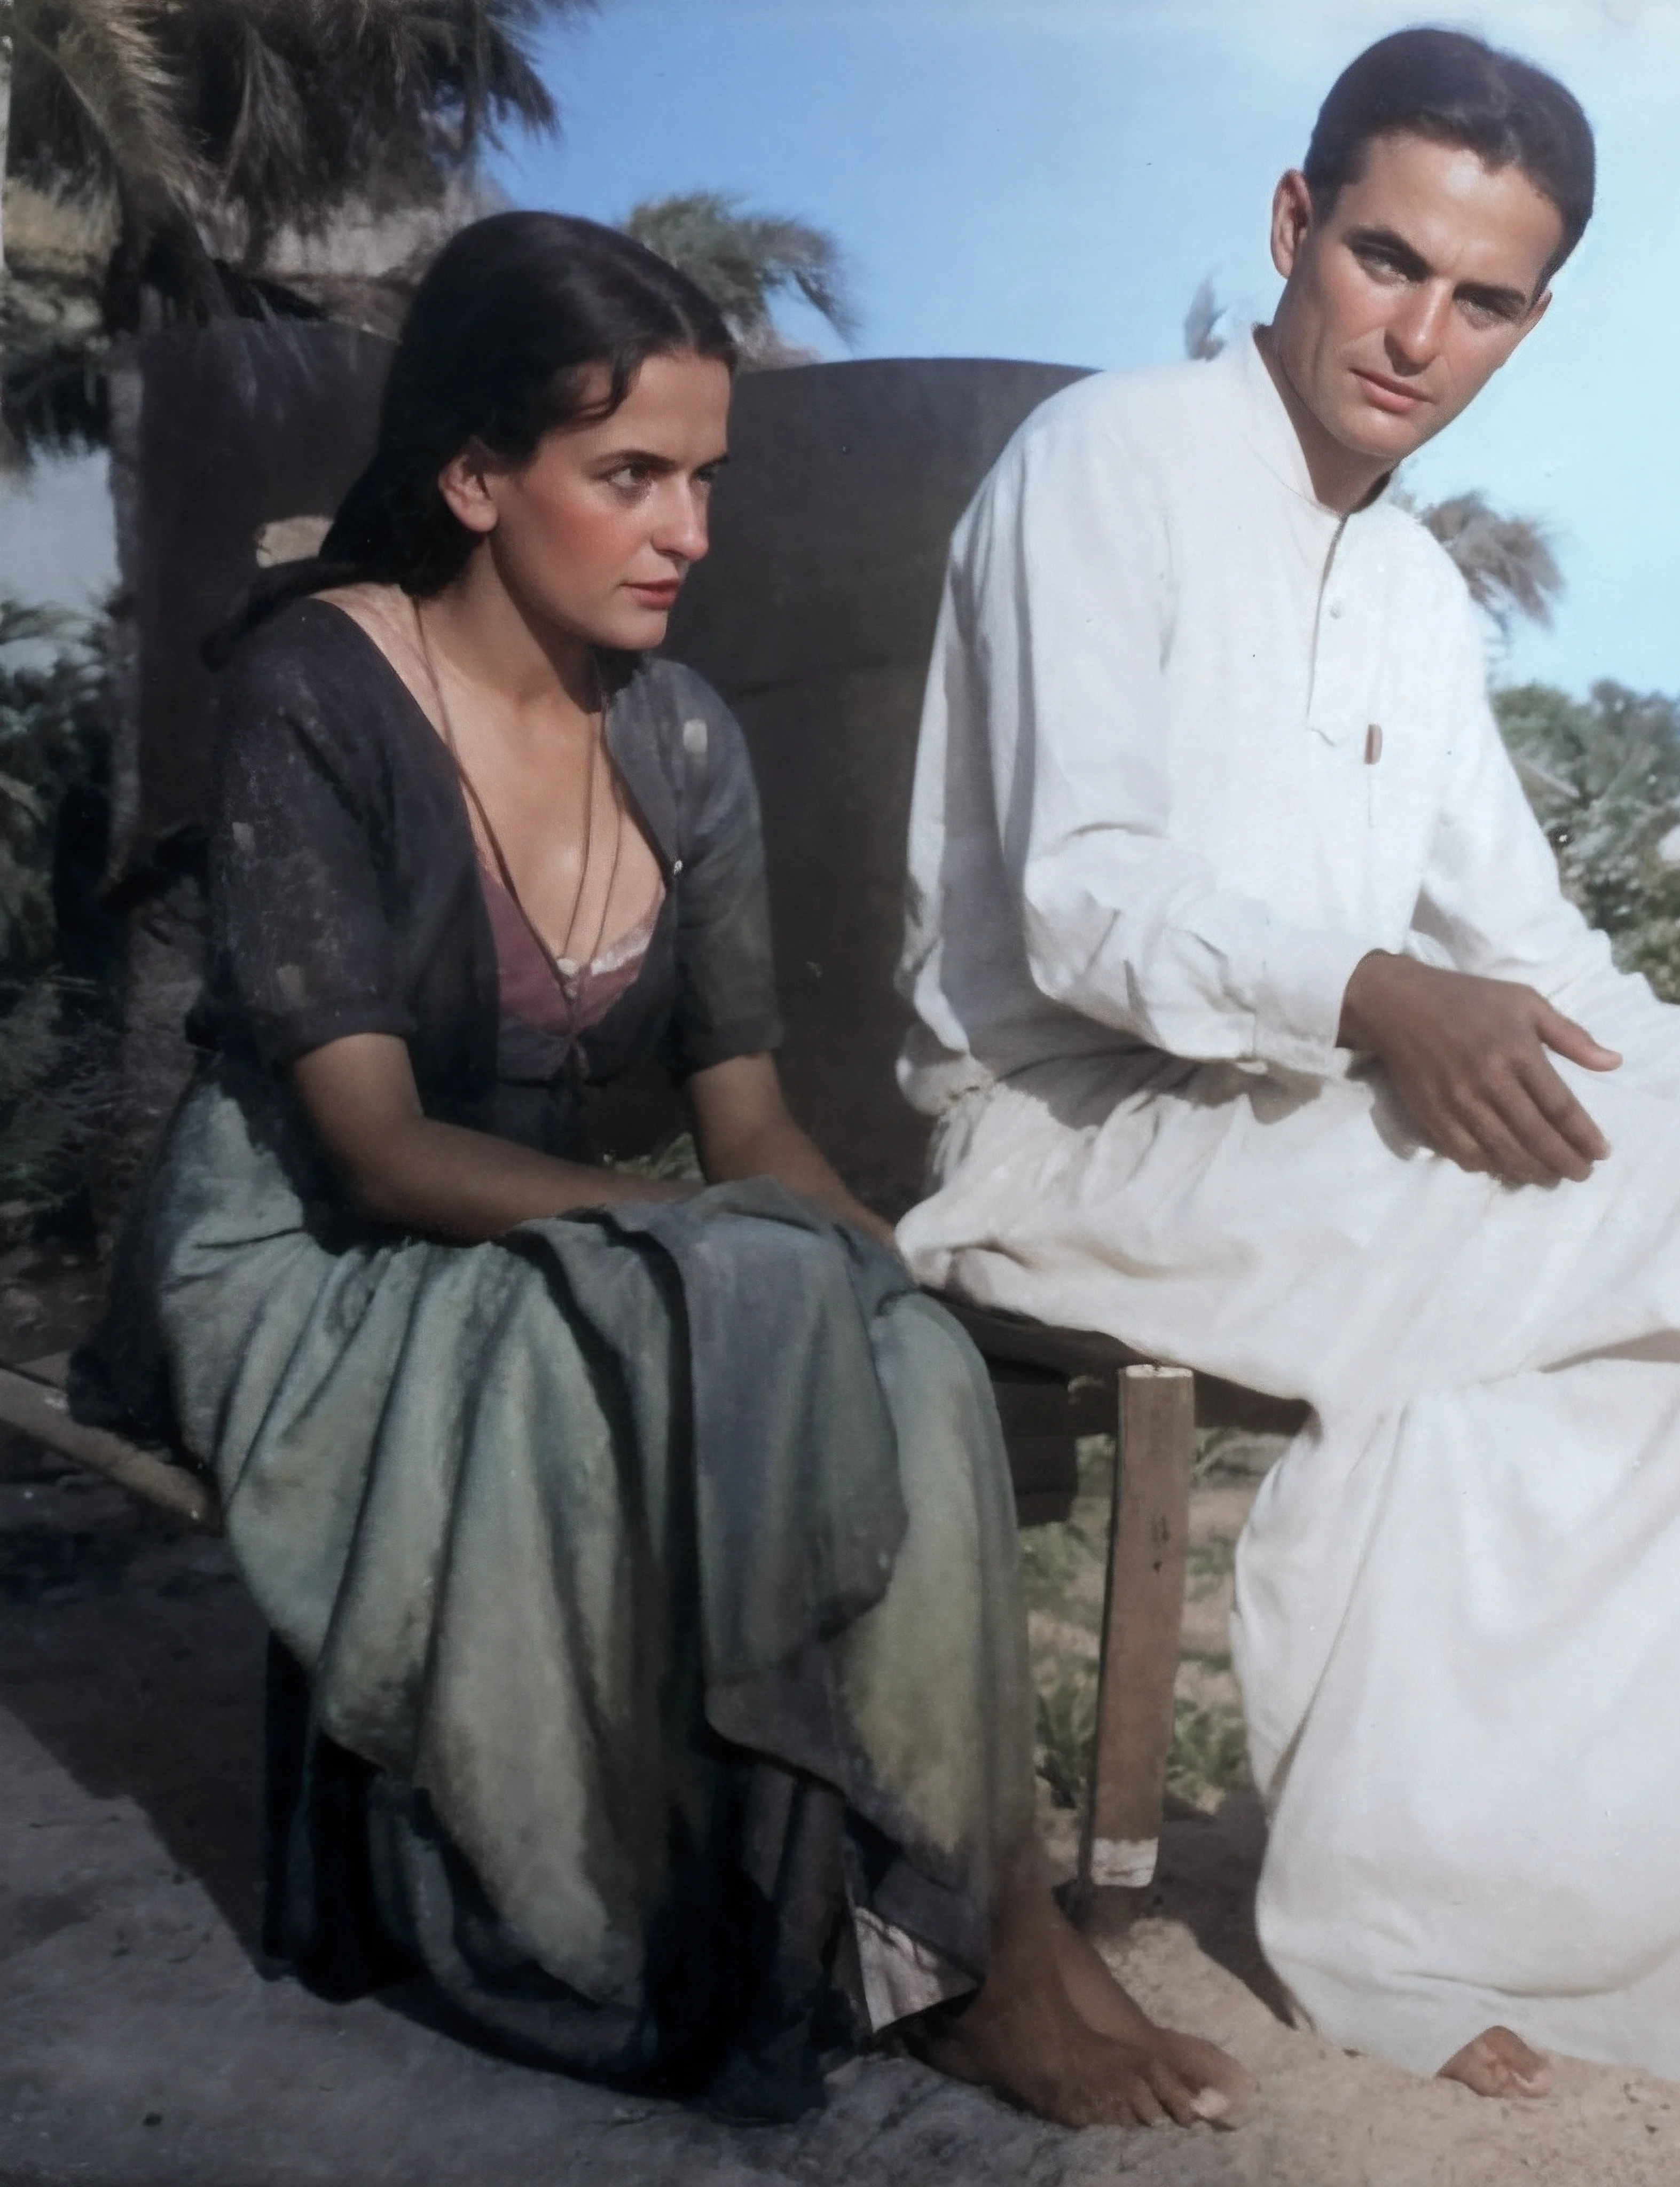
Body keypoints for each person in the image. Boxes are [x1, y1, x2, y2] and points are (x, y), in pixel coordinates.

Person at [896, 29, 1680, 2136]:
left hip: (1295, 1137)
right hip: (1065, 1141)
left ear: (1536, 315)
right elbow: (1084, 905)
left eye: (1483, 297)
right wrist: (1377, 1000)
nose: (1417, 335)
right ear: (1290, 227)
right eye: (1383, 260)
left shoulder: (1417, 595)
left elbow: (1552, 972)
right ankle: (1442, 1922)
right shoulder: (1108, 460)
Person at [78, 210, 1247, 2133]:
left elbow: (754, 1129)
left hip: (528, 1233)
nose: (687, 533)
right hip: (305, 1247)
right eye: (629, 478)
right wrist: (727, 1245)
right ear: (474, 477)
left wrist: (901, 1279)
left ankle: (965, 1926)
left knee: (902, 1350)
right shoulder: (321, 691)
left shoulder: (687, 744)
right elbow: (367, 1143)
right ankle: (839, 1941)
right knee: (763, 1286)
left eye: (704, 479)